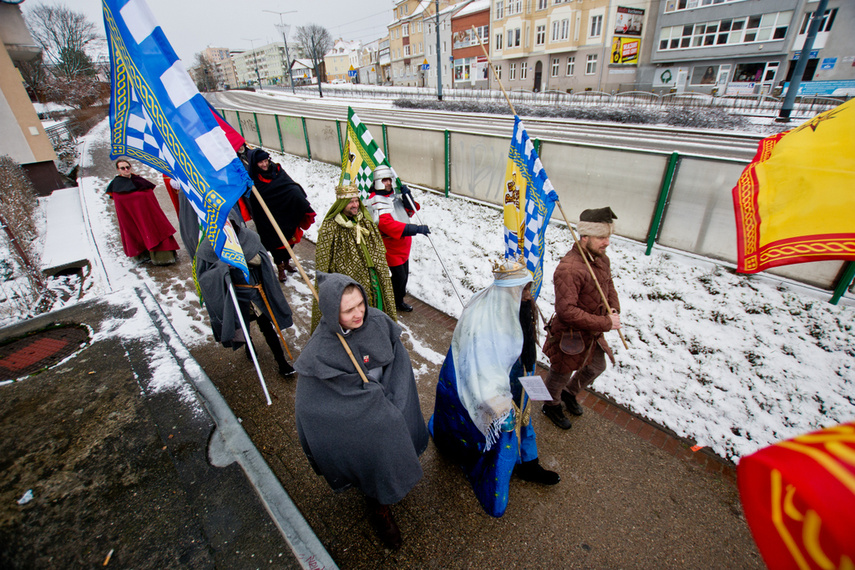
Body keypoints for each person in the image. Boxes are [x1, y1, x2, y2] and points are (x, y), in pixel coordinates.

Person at [295, 272, 428, 549]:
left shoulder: (378, 321)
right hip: (358, 415)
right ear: (332, 313)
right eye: (347, 310)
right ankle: (379, 505)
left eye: (360, 305)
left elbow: (397, 362)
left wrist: (390, 396)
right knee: (373, 448)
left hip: (389, 397)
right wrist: (364, 403)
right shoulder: (320, 348)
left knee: (395, 426)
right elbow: (313, 405)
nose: (358, 314)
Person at [430, 259, 559, 518]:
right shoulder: (481, 316)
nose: (528, 296)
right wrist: (496, 400)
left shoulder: (521, 307)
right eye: (522, 290)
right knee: (504, 429)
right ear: (507, 291)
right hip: (490, 387)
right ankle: (499, 475)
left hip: (518, 374)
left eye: (529, 289)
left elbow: (521, 344)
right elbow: (475, 363)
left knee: (524, 418)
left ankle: (529, 463)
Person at [541, 207, 622, 430]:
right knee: (560, 373)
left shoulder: (601, 259)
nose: (606, 243)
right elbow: (567, 311)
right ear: (584, 237)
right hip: (571, 333)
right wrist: (606, 323)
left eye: (608, 237)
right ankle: (551, 404)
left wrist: (613, 307)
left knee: (596, 366)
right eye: (601, 237)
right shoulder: (569, 268)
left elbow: (609, 284)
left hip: (592, 331)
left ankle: (570, 393)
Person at [195, 218, 296, 377]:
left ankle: (282, 362)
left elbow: (263, 260)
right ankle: (249, 347)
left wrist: (244, 260)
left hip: (255, 295)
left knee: (267, 327)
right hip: (233, 298)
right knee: (242, 326)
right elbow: (204, 278)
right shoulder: (207, 248)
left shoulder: (248, 237)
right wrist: (222, 267)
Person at [311, 184, 396, 332]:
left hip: (373, 276)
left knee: (377, 306)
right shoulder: (330, 226)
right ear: (342, 203)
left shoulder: (364, 220)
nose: (355, 205)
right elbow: (323, 259)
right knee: (353, 310)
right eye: (350, 202)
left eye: (357, 201)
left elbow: (377, 245)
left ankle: (376, 331)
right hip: (349, 279)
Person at [364, 165, 430, 313]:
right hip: (390, 248)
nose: (388, 183)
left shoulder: (393, 195)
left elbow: (408, 212)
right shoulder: (375, 201)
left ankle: (398, 299)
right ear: (377, 182)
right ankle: (393, 302)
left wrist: (408, 197)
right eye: (384, 180)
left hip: (403, 246)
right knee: (398, 278)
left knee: (404, 276)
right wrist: (416, 229)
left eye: (389, 179)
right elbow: (389, 225)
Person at [246, 149, 315, 281]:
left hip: (285, 212)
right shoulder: (253, 179)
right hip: (269, 217)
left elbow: (290, 186)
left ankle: (287, 262)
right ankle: (280, 268)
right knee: (276, 245)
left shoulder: (277, 170)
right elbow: (254, 200)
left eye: (266, 160)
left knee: (289, 241)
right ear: (255, 163)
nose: (265, 164)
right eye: (261, 162)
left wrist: (302, 202)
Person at [105, 158, 179, 265]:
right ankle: (143, 256)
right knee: (138, 233)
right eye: (123, 168)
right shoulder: (116, 186)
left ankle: (163, 258)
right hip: (133, 217)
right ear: (118, 170)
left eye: (127, 167)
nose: (126, 169)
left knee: (156, 231)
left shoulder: (139, 180)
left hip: (149, 214)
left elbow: (149, 196)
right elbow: (121, 206)